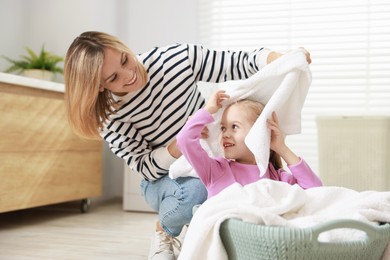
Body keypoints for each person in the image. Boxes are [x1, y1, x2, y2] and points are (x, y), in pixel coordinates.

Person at [64, 31, 311, 260]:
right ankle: (164, 230)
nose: (129, 74)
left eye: (125, 60)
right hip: (163, 178)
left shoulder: (176, 59)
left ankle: (201, 227)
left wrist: (281, 59)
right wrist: (184, 140)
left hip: (206, 156)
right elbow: (146, 168)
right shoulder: (110, 116)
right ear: (99, 86)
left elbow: (238, 61)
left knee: (229, 189)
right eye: (114, 77)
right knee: (196, 192)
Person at [176, 90, 322, 199]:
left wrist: (281, 148)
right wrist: (208, 110)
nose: (226, 134)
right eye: (223, 128)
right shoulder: (216, 171)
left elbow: (316, 193)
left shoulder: (276, 177)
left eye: (234, 127)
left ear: (258, 135)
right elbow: (184, 139)